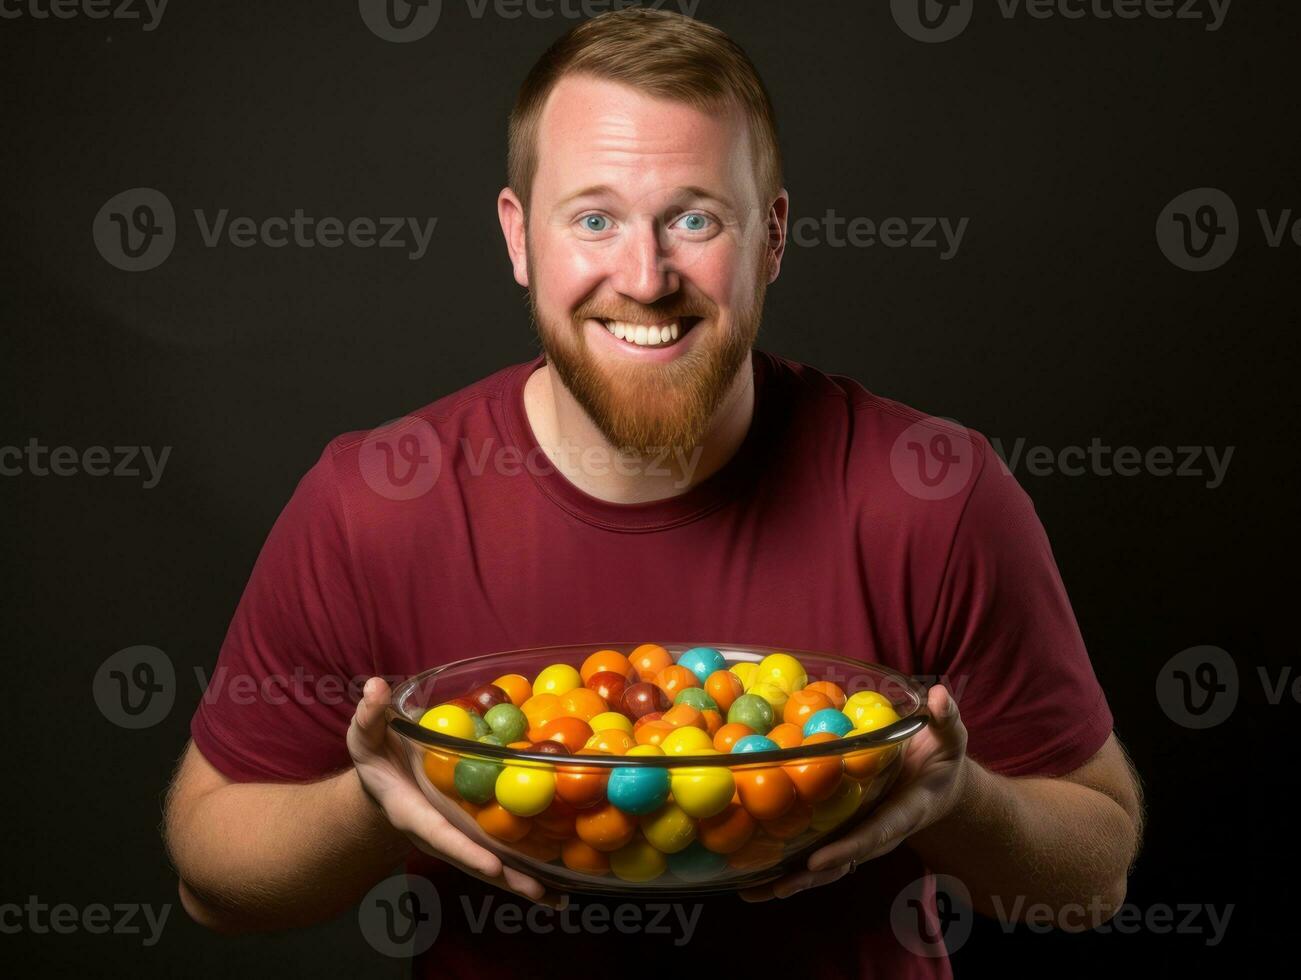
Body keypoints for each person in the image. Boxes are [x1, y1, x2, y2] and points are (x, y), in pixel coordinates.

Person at [163, 9, 1143, 977]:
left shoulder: (929, 491)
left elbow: (1090, 875)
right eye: (593, 217)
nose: (643, 275)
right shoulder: (376, 500)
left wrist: (953, 798)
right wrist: (371, 805)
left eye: (693, 217)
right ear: (518, 239)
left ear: (771, 236)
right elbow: (212, 875)